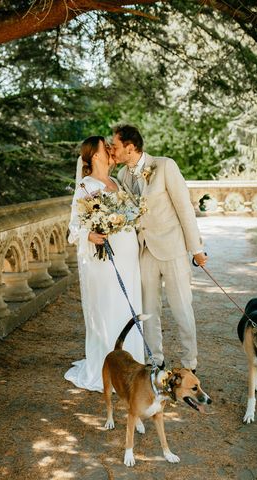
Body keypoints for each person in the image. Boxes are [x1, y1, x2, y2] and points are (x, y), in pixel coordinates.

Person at [112, 124, 207, 373]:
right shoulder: (122, 176)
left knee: (181, 308)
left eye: (116, 145)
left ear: (130, 147)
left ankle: (190, 363)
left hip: (173, 248)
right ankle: (156, 359)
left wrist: (196, 248)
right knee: (149, 309)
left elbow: (184, 208)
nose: (113, 149)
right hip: (144, 251)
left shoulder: (165, 166)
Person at [65, 135, 145, 392]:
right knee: (109, 308)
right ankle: (109, 369)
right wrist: (90, 234)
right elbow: (73, 227)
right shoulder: (86, 186)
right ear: (95, 155)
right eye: (105, 148)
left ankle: (131, 364)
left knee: (128, 305)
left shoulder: (116, 182)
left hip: (128, 258)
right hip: (104, 261)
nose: (111, 151)